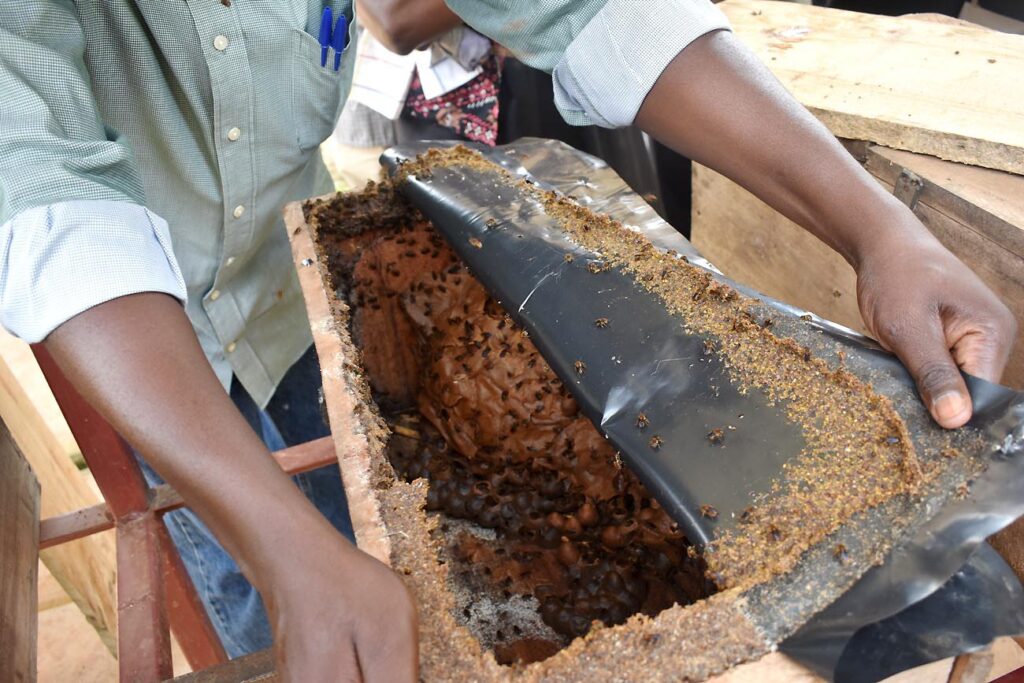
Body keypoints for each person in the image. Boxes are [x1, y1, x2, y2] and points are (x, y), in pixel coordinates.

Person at [0, 2, 1014, 682]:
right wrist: (274, 540)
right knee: (269, 593)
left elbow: (590, 13)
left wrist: (882, 229)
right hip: (141, 352)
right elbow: (47, 197)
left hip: (284, 289)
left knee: (390, 536)